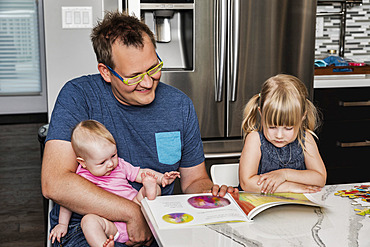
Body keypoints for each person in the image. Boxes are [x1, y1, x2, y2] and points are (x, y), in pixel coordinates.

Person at [41, 11, 233, 247]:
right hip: (91, 229)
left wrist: (212, 194)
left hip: (160, 224)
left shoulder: (179, 105)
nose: (147, 82)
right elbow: (54, 182)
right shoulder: (78, 96)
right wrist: (132, 213)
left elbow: (194, 180)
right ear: (106, 73)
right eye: (133, 77)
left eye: (153, 68)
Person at [49, 120, 180, 247]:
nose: (111, 164)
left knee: (152, 187)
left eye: (113, 155)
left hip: (137, 210)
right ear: (83, 162)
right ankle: (102, 244)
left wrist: (162, 178)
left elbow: (141, 173)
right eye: (102, 162)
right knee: (89, 221)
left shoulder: (120, 165)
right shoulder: (80, 176)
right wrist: (62, 224)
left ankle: (150, 190)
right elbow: (68, 202)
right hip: (112, 226)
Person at [239, 74, 327, 194]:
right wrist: (289, 187)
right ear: (261, 113)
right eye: (272, 127)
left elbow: (320, 178)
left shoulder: (306, 139)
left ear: (302, 116)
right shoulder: (255, 139)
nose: (279, 135)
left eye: (288, 128)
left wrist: (284, 174)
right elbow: (247, 183)